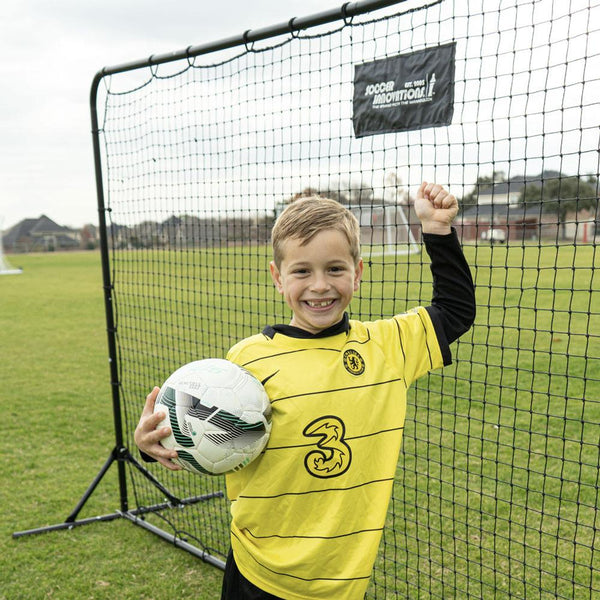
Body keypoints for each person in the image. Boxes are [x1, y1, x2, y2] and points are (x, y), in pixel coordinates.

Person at [135, 182, 476, 599]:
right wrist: (154, 441)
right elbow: (199, 430)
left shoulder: (388, 348)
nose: (319, 285)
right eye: (302, 271)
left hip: (342, 581)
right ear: (278, 278)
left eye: (335, 269)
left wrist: (438, 231)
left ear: (358, 273)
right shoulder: (244, 363)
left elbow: (456, 309)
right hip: (257, 573)